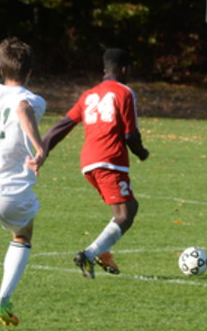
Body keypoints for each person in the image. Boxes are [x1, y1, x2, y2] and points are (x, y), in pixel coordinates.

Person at [42, 48, 149, 278]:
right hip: (110, 161)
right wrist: (142, 153)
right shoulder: (125, 92)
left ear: (104, 69)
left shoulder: (88, 95)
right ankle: (90, 254)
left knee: (128, 207)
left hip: (88, 162)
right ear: (124, 70)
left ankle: (103, 251)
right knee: (125, 214)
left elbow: (63, 125)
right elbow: (131, 135)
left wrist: (43, 149)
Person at [0, 37, 46, 326]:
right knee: (22, 236)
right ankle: (3, 299)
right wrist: (40, 147)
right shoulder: (34, 100)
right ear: (30, 72)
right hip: (13, 190)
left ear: (1, 69)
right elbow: (22, 108)